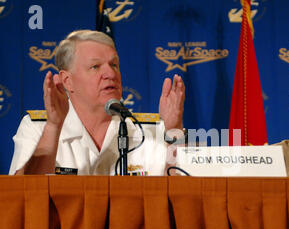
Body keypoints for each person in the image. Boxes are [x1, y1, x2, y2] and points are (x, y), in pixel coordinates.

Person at [9, 30, 186, 176]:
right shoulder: (38, 128)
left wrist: (174, 129)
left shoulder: (150, 130)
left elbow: (182, 194)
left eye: (114, 65)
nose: (110, 74)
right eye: (95, 67)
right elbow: (25, 195)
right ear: (67, 81)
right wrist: (54, 127)